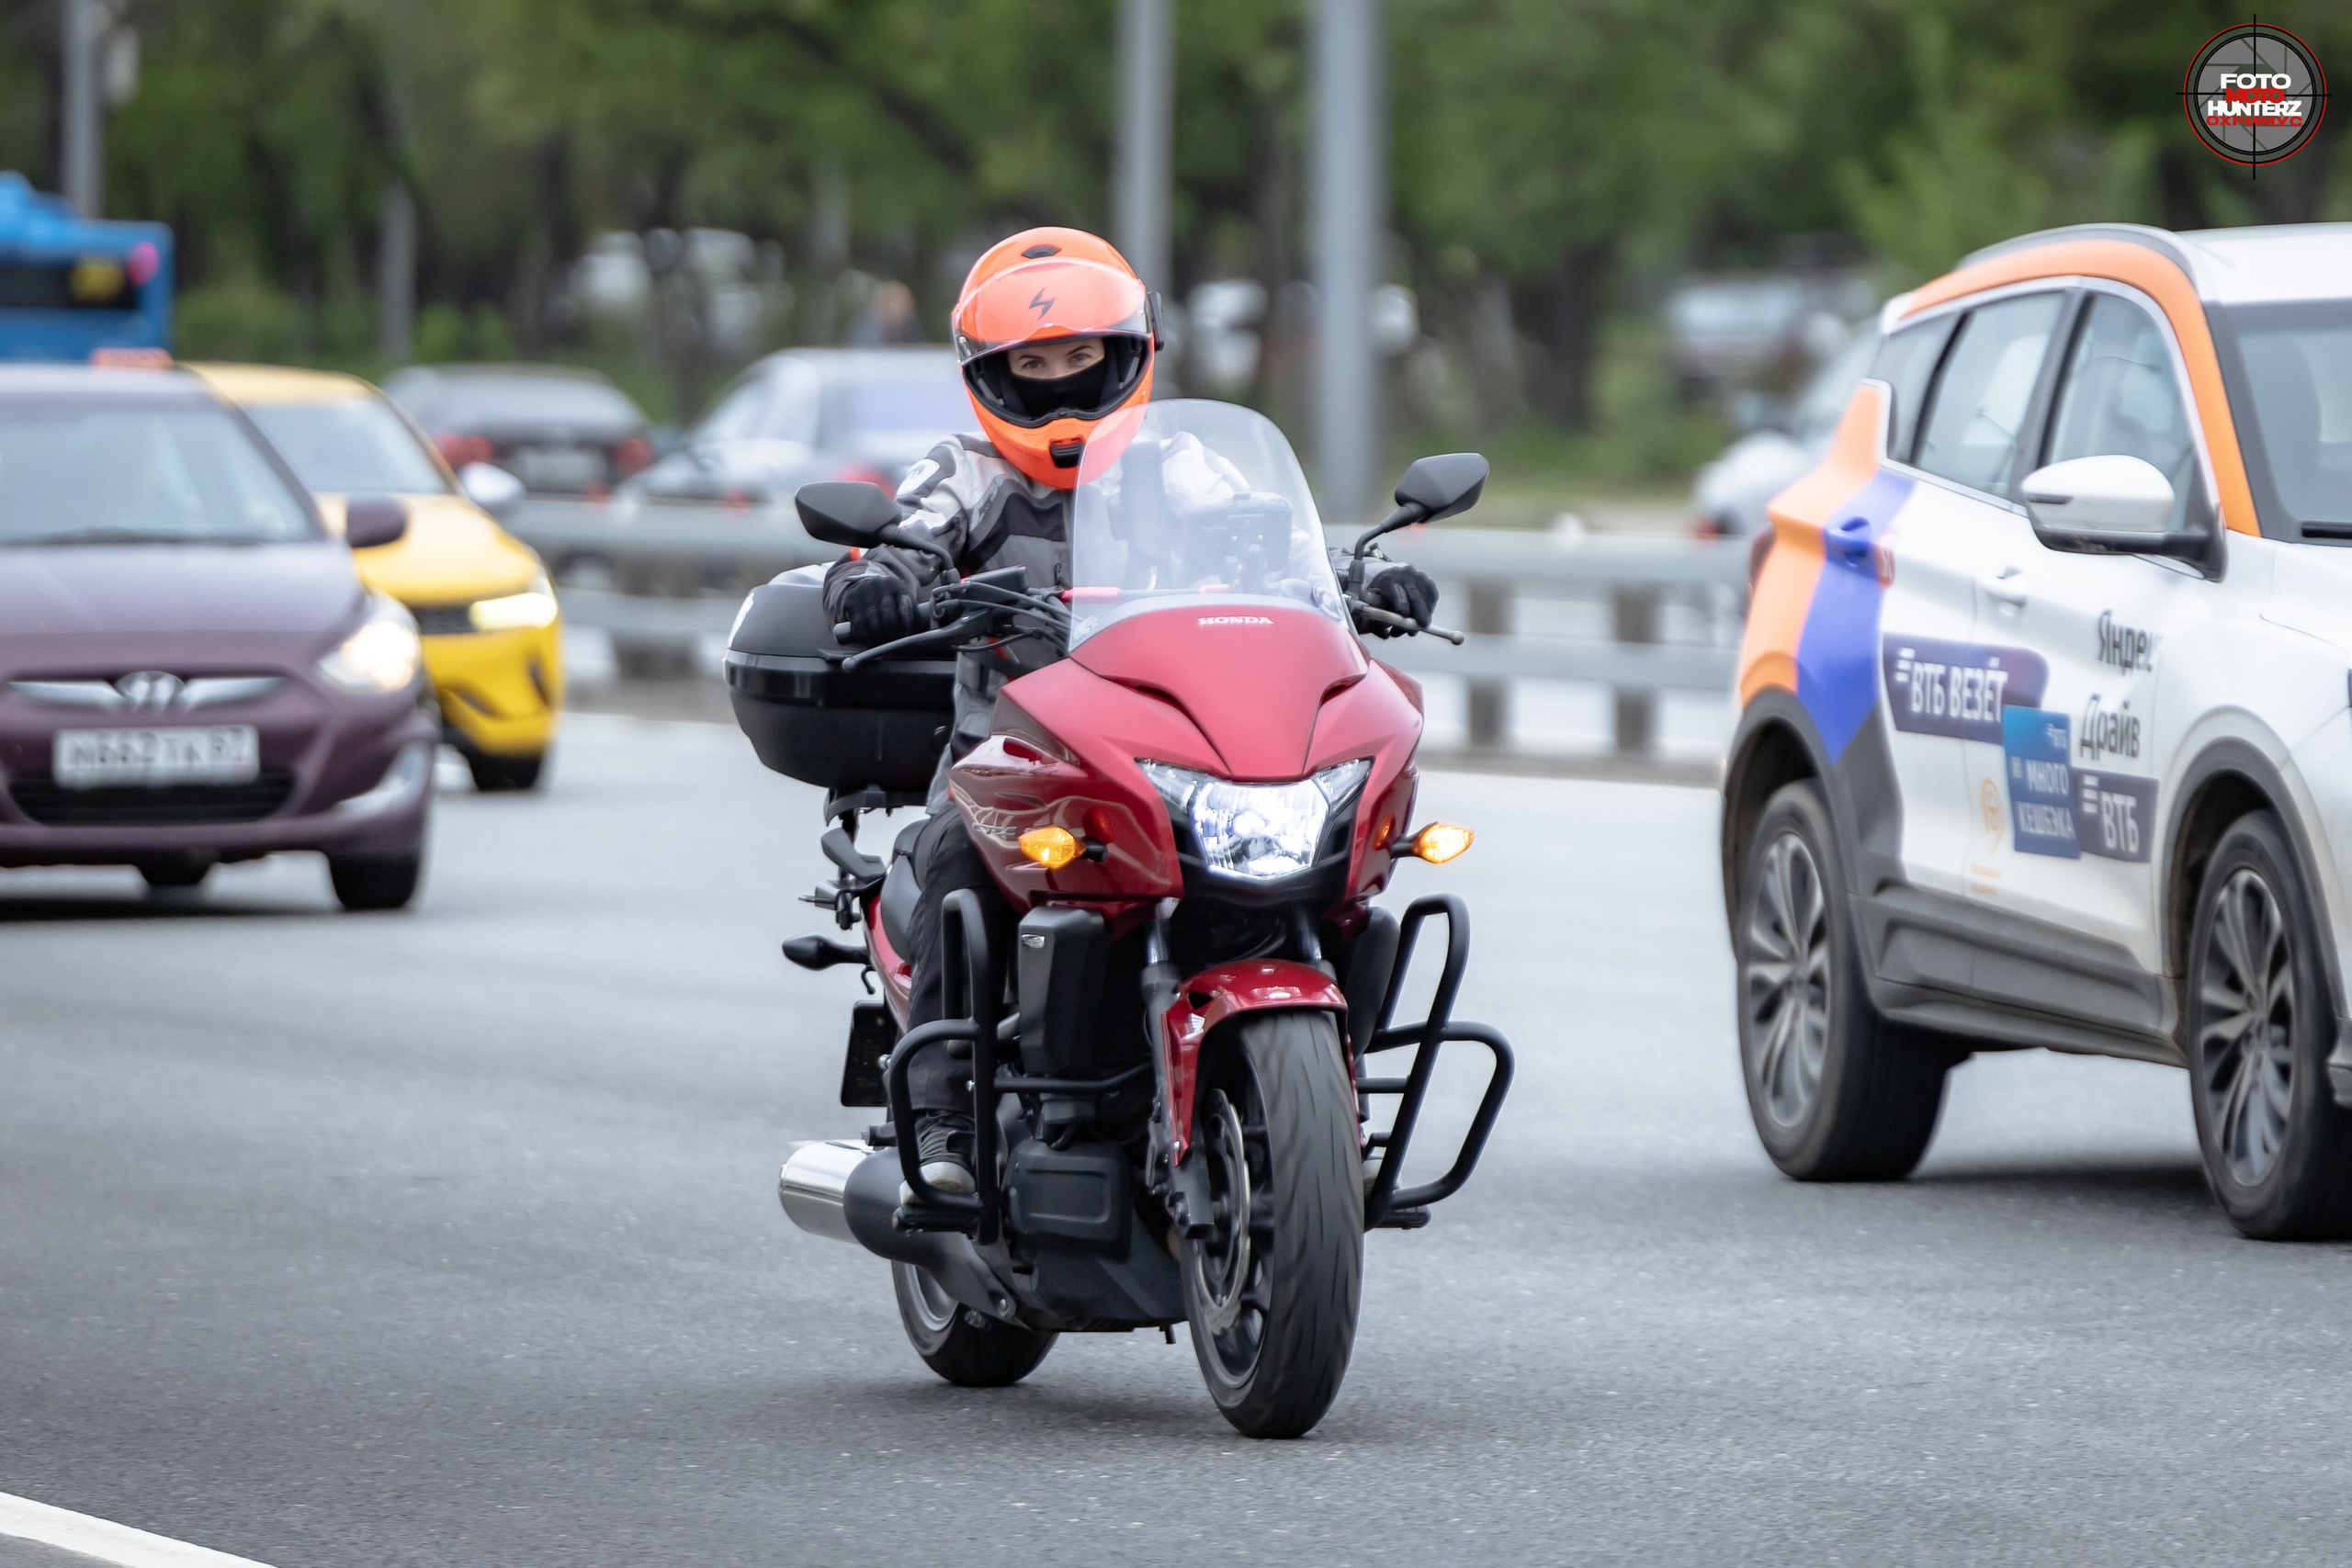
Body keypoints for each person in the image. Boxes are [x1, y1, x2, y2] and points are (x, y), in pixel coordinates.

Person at [821, 226, 1439, 1197]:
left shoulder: (1178, 464)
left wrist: (1367, 581)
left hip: (1164, 742)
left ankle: (1318, 1094)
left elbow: (1275, 547)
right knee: (950, 859)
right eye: (1033, 365)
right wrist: (877, 584)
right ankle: (942, 1121)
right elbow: (897, 545)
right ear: (991, 373)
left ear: (1129, 359)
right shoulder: (966, 472)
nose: (1062, 386)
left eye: (1082, 360)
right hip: (1013, 760)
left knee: (1335, 863)